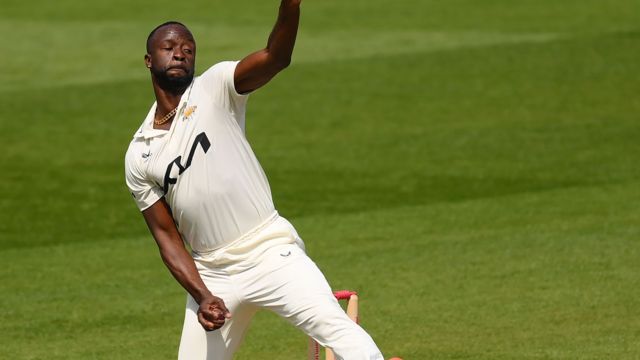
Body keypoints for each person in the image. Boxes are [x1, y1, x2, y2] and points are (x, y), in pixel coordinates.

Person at [124, 1, 384, 359]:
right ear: (149, 60)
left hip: (269, 251)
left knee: (337, 329)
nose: (180, 54)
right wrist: (202, 295)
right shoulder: (139, 153)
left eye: (188, 48)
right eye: (169, 48)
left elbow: (275, 57)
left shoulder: (214, 88)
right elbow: (167, 237)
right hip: (212, 273)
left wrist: (290, 5)